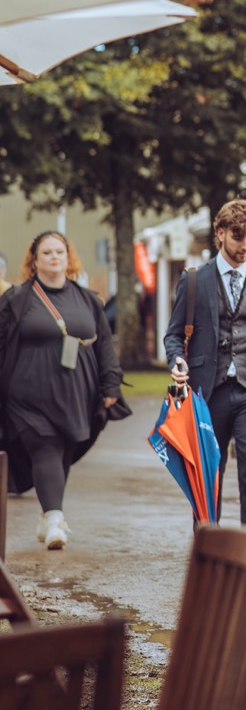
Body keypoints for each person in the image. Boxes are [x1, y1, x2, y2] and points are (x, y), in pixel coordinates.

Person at [165, 200, 246, 531]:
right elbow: (172, 335)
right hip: (207, 394)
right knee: (208, 477)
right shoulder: (195, 280)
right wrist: (177, 359)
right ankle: (208, 551)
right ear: (220, 234)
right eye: (239, 237)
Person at [0, 232, 124, 550]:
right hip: (26, 394)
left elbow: (105, 345)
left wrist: (111, 383)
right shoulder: (16, 300)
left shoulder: (87, 299)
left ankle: (46, 513)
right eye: (47, 252)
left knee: (64, 451)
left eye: (60, 252)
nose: (55, 257)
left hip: (76, 393)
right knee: (45, 447)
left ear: (68, 258)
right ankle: (56, 519)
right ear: (34, 260)